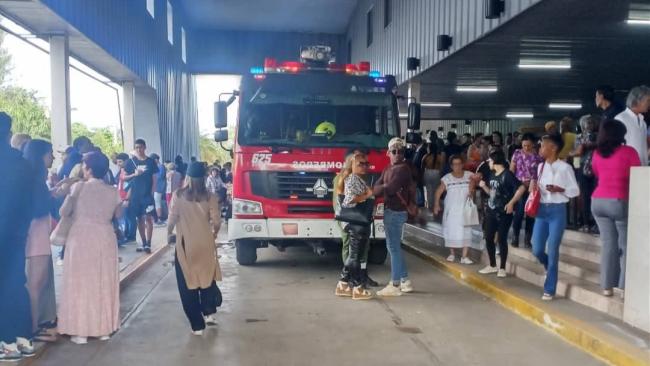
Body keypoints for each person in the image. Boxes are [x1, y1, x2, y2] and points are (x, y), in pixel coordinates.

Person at [57, 152, 122, 344]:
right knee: (102, 281)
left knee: (80, 282)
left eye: (85, 166)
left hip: (81, 238)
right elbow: (118, 214)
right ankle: (103, 329)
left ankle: (80, 332)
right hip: (105, 237)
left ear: (89, 169)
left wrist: (67, 192)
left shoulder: (78, 187)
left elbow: (63, 212)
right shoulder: (113, 191)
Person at [167, 162, 222, 335]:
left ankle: (197, 325)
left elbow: (172, 218)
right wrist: (214, 234)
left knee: (187, 284)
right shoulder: (210, 196)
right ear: (204, 177)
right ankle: (209, 312)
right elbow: (217, 221)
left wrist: (168, 234)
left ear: (188, 177)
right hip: (205, 243)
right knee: (206, 277)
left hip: (185, 245)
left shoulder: (178, 195)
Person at [590, 119, 641, 297]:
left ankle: (606, 286)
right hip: (619, 200)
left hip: (597, 201)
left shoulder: (597, 153)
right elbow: (638, 175)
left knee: (608, 245)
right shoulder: (629, 152)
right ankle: (624, 287)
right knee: (625, 245)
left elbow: (596, 172)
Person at [0, 112, 35, 361]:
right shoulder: (24, 164)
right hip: (16, 234)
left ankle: (7, 343)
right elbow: (36, 204)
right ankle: (24, 339)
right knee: (15, 284)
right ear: (9, 134)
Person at [530, 134, 579, 300]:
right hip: (542, 210)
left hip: (558, 211)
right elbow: (537, 190)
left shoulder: (565, 168)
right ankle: (548, 266)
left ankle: (549, 288)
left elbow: (575, 191)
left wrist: (561, 189)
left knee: (552, 248)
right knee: (536, 248)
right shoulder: (540, 167)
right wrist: (534, 186)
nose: (540, 149)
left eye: (543, 146)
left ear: (553, 148)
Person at [23, 139, 58, 341]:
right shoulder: (35, 181)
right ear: (40, 155)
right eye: (50, 153)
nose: (52, 157)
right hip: (36, 238)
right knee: (36, 286)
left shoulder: (32, 178)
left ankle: (33, 326)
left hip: (34, 236)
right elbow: (38, 208)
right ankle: (32, 328)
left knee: (35, 285)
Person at [373, 137, 414, 296]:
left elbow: (388, 189)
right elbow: (379, 186)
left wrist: (381, 187)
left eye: (401, 151)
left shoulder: (402, 169)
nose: (398, 154)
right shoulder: (388, 168)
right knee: (394, 247)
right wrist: (382, 187)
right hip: (391, 211)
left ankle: (395, 283)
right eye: (394, 151)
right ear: (388, 153)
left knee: (393, 248)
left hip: (396, 212)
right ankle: (405, 280)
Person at [333, 148, 378, 289]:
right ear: (351, 164)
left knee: (354, 255)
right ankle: (357, 285)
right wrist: (366, 195)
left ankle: (343, 283)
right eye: (360, 163)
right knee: (354, 255)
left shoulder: (357, 178)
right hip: (355, 223)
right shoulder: (352, 178)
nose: (365, 166)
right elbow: (348, 201)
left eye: (366, 163)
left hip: (358, 222)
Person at [478, 150, 526, 277]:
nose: (488, 162)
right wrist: (484, 187)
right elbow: (493, 193)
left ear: (495, 161)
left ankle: (502, 268)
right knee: (488, 237)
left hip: (504, 212)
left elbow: (521, 187)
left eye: (490, 160)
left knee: (502, 239)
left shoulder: (508, 174)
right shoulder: (492, 174)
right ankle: (492, 265)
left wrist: (511, 203)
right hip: (491, 211)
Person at [433, 155, 475, 264]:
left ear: (463, 164)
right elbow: (438, 192)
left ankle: (464, 257)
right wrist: (436, 205)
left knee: (466, 231)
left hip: (465, 209)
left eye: (459, 164)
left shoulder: (469, 175)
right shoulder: (447, 178)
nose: (457, 166)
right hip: (451, 210)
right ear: (451, 166)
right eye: (455, 164)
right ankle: (452, 253)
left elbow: (476, 181)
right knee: (451, 231)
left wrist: (472, 190)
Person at [123, 139, 159, 253]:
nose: (139, 149)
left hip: (147, 195)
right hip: (135, 195)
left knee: (149, 218)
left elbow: (154, 178)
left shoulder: (150, 162)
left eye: (141, 147)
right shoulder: (130, 162)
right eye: (137, 147)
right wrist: (134, 174)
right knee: (139, 219)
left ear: (145, 147)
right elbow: (123, 177)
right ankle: (143, 242)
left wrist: (152, 192)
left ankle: (148, 242)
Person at [509, 133, 543, 248]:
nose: (526, 148)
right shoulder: (517, 154)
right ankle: (515, 236)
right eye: (524, 145)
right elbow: (511, 171)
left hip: (532, 188)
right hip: (519, 187)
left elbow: (540, 174)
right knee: (518, 213)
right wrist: (513, 186)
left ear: (533, 144)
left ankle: (528, 238)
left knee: (530, 213)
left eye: (529, 145)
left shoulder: (538, 157)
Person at [571, 114, 600, 232]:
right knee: (584, 196)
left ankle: (595, 222)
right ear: (582, 125)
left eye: (592, 123)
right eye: (587, 123)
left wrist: (591, 144)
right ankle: (585, 222)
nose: (590, 125)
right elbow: (578, 151)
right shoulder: (578, 137)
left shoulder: (598, 136)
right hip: (583, 168)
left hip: (596, 167)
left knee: (596, 195)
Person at [615, 85, 650, 166]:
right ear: (637, 100)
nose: (649, 104)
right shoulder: (620, 118)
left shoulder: (643, 122)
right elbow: (616, 147)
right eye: (648, 100)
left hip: (642, 167)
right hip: (627, 168)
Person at [421, 142, 443, 209]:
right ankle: (437, 206)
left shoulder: (425, 156)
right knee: (436, 190)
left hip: (427, 173)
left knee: (429, 191)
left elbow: (422, 167)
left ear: (429, 148)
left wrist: (422, 176)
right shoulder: (439, 157)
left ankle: (430, 207)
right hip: (436, 173)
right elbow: (442, 167)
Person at [151, 153, 167, 226]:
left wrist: (152, 175)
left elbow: (160, 176)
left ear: (156, 159)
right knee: (156, 203)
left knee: (157, 203)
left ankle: (159, 218)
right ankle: (157, 218)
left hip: (159, 188)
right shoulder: (157, 167)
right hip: (156, 187)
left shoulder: (161, 166)